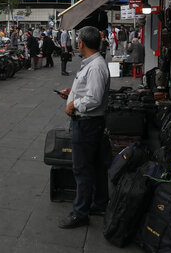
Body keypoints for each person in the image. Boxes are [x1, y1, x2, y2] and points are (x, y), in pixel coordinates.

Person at [57, 26, 111, 229]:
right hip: (91, 123)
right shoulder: (92, 63)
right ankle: (99, 203)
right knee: (96, 166)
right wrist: (71, 93)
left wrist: (73, 104)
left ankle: (81, 213)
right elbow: (89, 91)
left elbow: (94, 98)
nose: (76, 44)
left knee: (82, 169)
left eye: (78, 41)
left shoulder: (96, 66)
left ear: (82, 43)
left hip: (87, 124)